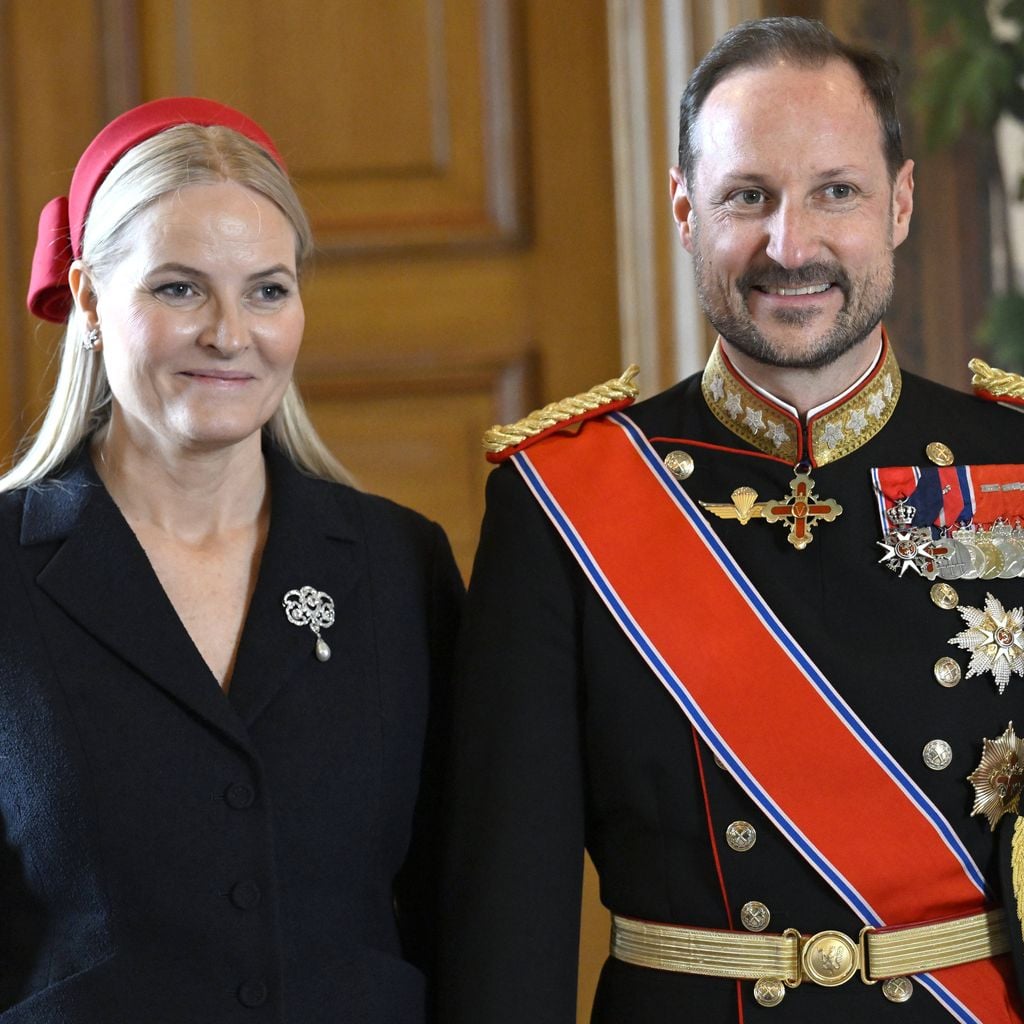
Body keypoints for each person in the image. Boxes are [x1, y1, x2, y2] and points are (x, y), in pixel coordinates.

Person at [441, 16, 1024, 1023]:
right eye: (747, 196)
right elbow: (508, 912)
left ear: (900, 203)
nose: (790, 246)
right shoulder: (562, 500)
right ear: (684, 210)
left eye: (835, 192)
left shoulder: (1010, 461)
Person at [2, 96, 462, 1023]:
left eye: (267, 290)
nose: (229, 333)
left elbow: (460, 898)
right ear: (88, 299)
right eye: (179, 289)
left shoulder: (399, 566)